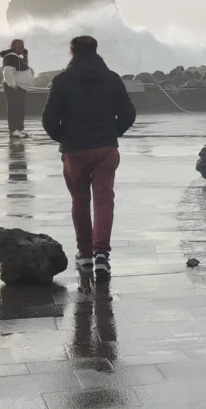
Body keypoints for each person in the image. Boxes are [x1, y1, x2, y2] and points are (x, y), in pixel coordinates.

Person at [42, 36, 137, 284]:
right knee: (104, 199)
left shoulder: (62, 80)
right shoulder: (112, 78)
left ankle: (85, 254)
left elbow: (48, 119)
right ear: (96, 51)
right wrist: (112, 133)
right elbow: (128, 113)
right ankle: (102, 254)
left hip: (75, 150)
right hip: (105, 148)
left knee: (80, 201)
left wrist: (63, 138)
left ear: (72, 52)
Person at [1, 39, 34, 138]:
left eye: (23, 46)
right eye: (20, 46)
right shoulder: (10, 57)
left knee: (20, 109)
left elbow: (24, 66)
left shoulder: (16, 57)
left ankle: (20, 128)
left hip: (20, 88)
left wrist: (25, 56)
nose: (23, 48)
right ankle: (14, 130)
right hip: (15, 88)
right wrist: (12, 85)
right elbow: (7, 71)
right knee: (14, 109)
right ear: (14, 47)